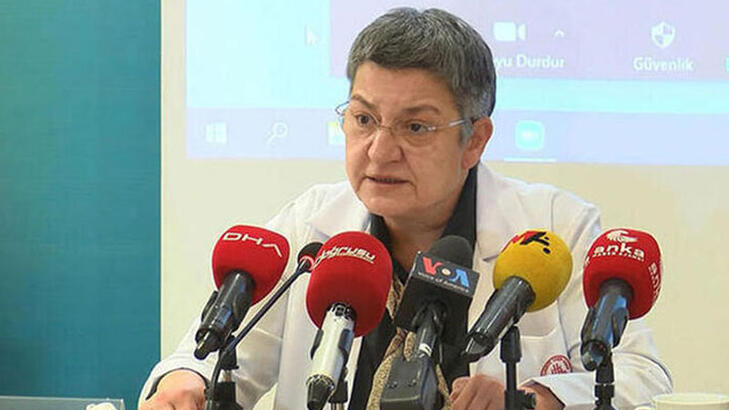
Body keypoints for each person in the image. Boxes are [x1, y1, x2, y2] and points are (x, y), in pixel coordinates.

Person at [139, 8, 672, 410]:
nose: (379, 151)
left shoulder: (554, 228)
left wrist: (537, 397)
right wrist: (185, 382)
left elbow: (641, 376)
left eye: (415, 127)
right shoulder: (311, 225)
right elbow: (205, 360)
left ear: (475, 140)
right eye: (363, 119)